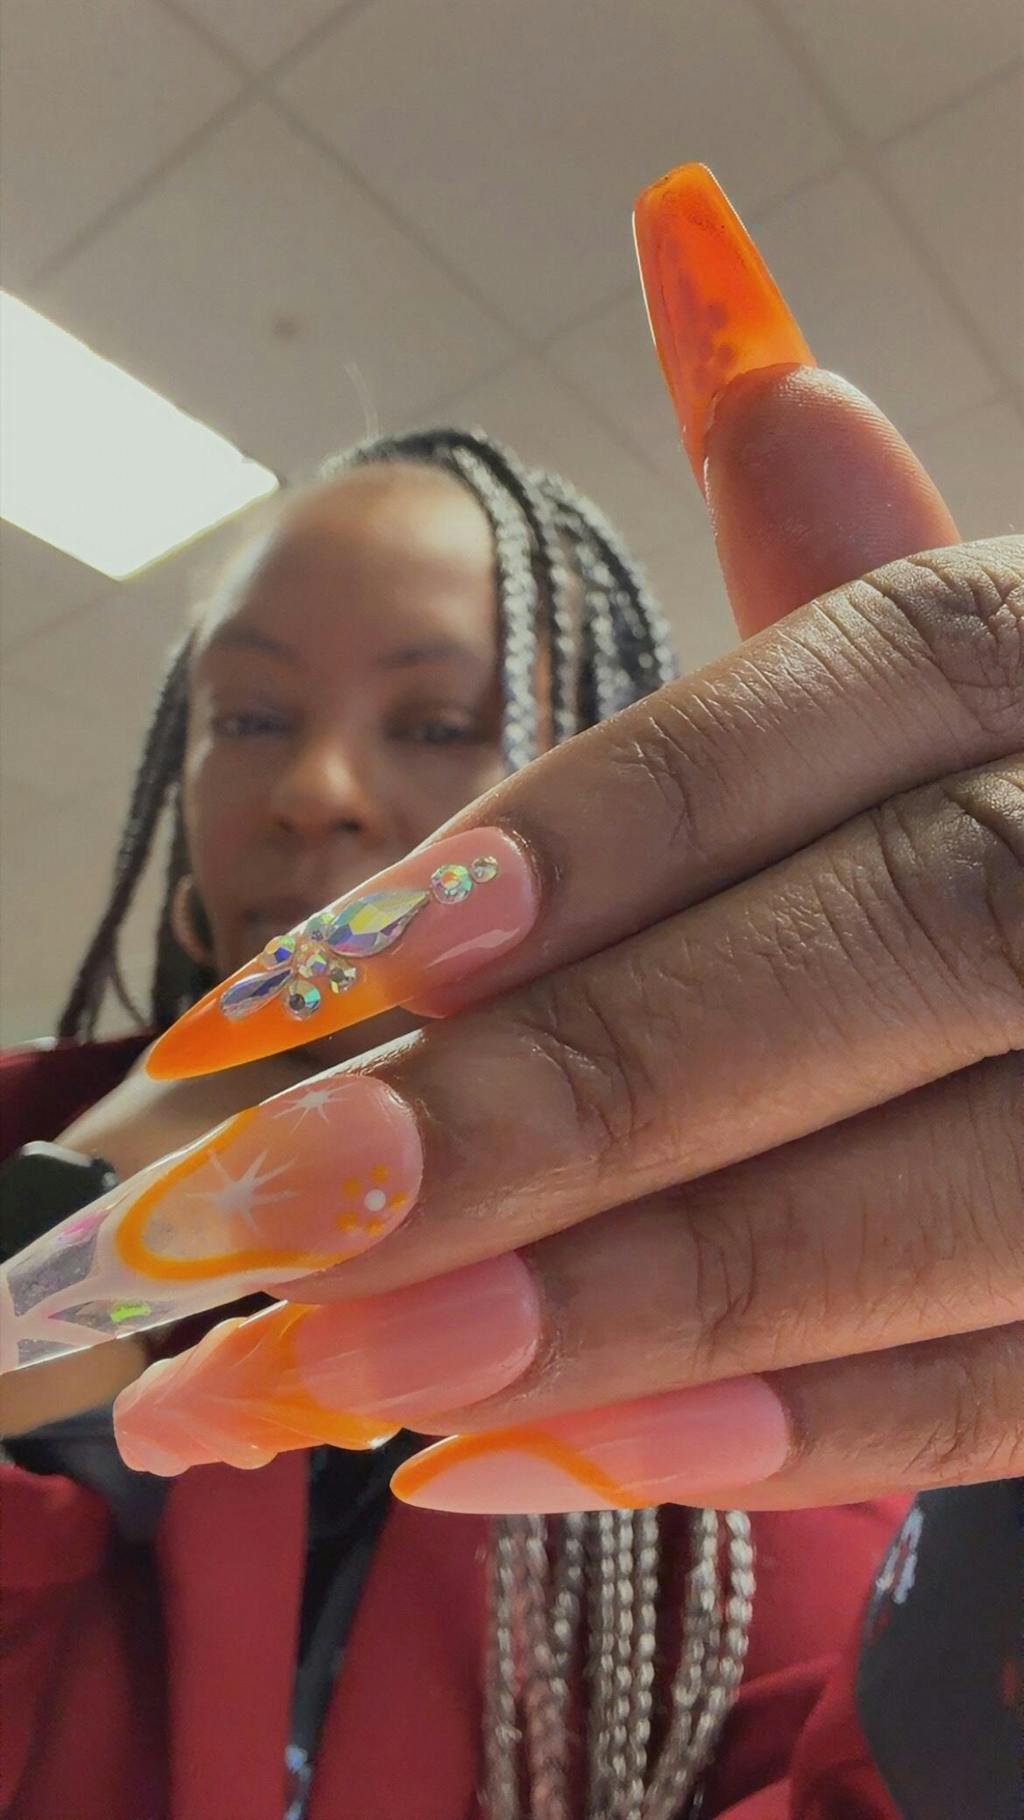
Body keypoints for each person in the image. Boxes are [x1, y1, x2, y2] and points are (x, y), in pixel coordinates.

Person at [1, 166, 1020, 1820]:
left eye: (432, 723)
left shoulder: (766, 1349)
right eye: (249, 720)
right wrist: (64, 1210)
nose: (317, 790)